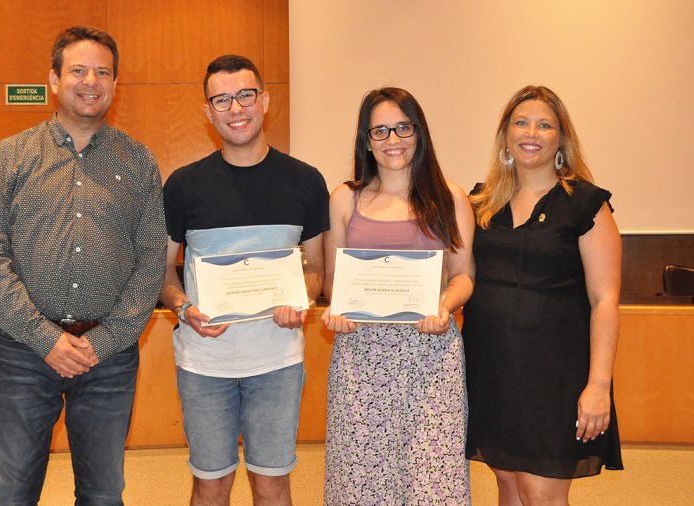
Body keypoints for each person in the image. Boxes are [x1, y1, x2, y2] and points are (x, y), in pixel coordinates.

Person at [0, 26, 167, 505]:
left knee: (103, 494)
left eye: (103, 72)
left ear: (115, 85)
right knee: (14, 491)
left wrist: (103, 341)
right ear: (54, 80)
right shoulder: (11, 155)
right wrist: (44, 338)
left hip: (110, 356)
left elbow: (151, 258)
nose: (91, 81)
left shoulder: (138, 161)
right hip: (22, 353)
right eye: (78, 70)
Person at [159, 54, 329, 505]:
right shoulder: (183, 185)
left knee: (272, 484)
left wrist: (303, 299)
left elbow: (314, 268)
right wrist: (183, 308)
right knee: (210, 484)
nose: (236, 108)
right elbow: (163, 271)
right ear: (208, 111)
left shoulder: (305, 181)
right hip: (204, 364)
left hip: (277, 363)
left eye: (245, 95)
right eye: (222, 99)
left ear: (264, 100)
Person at [463, 85, 624, 504]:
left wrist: (598, 385)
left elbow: (605, 299)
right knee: (509, 486)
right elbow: (456, 276)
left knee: (541, 492)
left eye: (544, 124)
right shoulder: (479, 202)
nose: (531, 132)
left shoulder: (586, 204)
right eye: (521, 122)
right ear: (506, 135)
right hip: (491, 369)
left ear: (560, 139)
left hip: (556, 376)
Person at [321, 87, 475, 504]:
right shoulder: (344, 199)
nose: (393, 140)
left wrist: (444, 305)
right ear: (366, 140)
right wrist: (338, 308)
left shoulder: (451, 198)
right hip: (361, 358)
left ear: (418, 132)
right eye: (381, 131)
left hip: (431, 355)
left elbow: (463, 277)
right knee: (361, 480)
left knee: (432, 483)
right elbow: (333, 280)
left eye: (403, 128)